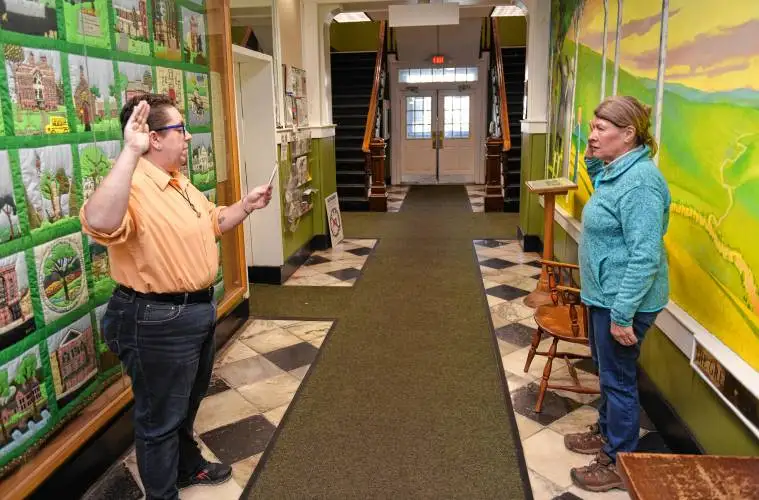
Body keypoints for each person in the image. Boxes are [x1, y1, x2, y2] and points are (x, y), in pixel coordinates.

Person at [80, 94, 273, 500]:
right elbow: (99, 223)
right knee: (159, 421)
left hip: (195, 312)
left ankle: (187, 468)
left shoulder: (178, 182)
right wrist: (128, 153)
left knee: (185, 404)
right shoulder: (130, 185)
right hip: (155, 320)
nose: (188, 137)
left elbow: (213, 222)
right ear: (153, 138)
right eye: (180, 130)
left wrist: (246, 205)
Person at [565, 96, 671, 492]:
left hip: (623, 301)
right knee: (608, 373)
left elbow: (645, 256)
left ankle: (618, 460)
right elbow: (597, 175)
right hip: (604, 295)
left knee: (619, 380)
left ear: (628, 135)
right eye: (591, 127)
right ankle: (608, 433)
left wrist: (623, 315)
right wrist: (592, 147)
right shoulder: (617, 171)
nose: (592, 136)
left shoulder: (640, 183)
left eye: (600, 129)